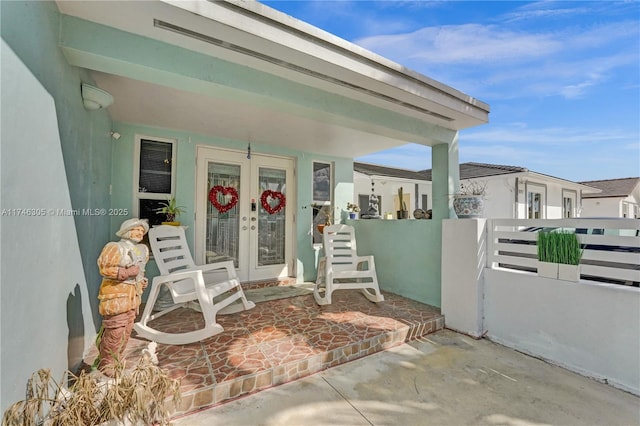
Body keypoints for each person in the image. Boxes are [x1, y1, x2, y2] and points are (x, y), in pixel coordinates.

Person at [95, 218, 149, 376]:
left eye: (141, 231)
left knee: (126, 329)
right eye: (136, 230)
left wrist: (141, 282)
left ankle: (117, 359)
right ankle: (107, 363)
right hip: (116, 295)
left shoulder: (141, 250)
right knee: (115, 329)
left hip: (133, 296)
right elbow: (105, 268)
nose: (139, 233)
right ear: (126, 231)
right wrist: (126, 273)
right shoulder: (115, 247)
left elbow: (139, 272)